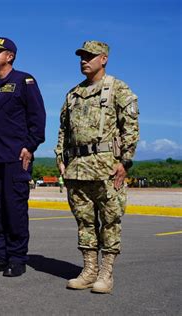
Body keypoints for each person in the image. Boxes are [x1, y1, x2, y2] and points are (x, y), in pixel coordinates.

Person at [55, 41, 139, 294]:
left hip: (106, 169)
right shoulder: (72, 94)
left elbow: (131, 128)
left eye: (90, 56)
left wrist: (125, 162)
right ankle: (89, 269)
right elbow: (63, 130)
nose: (84, 60)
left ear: (103, 59)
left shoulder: (117, 89)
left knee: (110, 221)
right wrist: (60, 158)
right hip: (77, 169)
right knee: (85, 222)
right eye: (81, 56)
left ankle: (106, 272)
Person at [0, 37, 46, 277]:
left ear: (11, 56)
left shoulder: (24, 81)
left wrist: (30, 146)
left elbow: (37, 117)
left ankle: (17, 258)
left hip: (16, 158)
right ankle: (1, 255)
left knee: (14, 209)